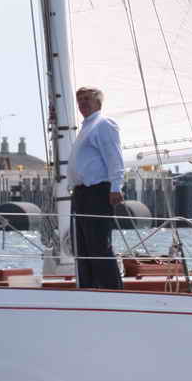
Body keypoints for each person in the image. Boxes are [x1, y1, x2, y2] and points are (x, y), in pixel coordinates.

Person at [68, 86, 124, 290]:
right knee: (81, 247)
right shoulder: (85, 127)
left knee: (98, 245)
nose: (82, 103)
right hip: (81, 193)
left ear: (98, 103)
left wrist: (116, 186)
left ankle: (112, 291)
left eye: (87, 99)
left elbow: (114, 156)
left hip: (97, 191)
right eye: (79, 100)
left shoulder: (103, 124)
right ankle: (88, 289)